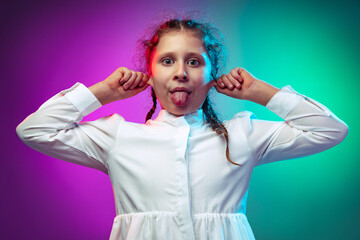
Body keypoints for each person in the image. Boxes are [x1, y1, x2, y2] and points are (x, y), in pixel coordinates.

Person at [16, 18, 348, 240]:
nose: (180, 73)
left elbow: (329, 130)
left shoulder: (241, 135)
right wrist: (103, 92)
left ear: (211, 75)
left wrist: (259, 92)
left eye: (194, 61)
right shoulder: (119, 137)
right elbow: (35, 130)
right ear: (151, 73)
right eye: (167, 61)